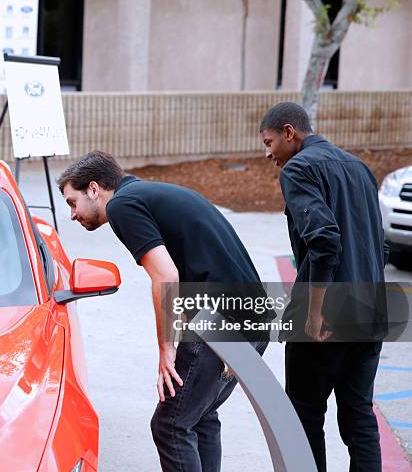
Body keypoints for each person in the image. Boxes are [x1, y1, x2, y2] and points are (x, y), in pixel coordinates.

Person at [57, 151, 272, 472]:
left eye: (72, 203)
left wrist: (166, 349)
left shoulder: (122, 205)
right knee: (200, 416)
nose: (73, 215)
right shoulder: (149, 194)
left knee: (170, 425)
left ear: (93, 189)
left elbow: (165, 276)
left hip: (221, 321)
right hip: (252, 318)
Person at [259, 102, 388, 472]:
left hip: (326, 318)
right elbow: (379, 245)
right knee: (359, 415)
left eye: (269, 142)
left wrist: (314, 313)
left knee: (304, 416)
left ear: (289, 132)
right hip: (370, 310)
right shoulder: (360, 168)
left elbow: (325, 241)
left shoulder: (298, 168)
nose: (268, 154)